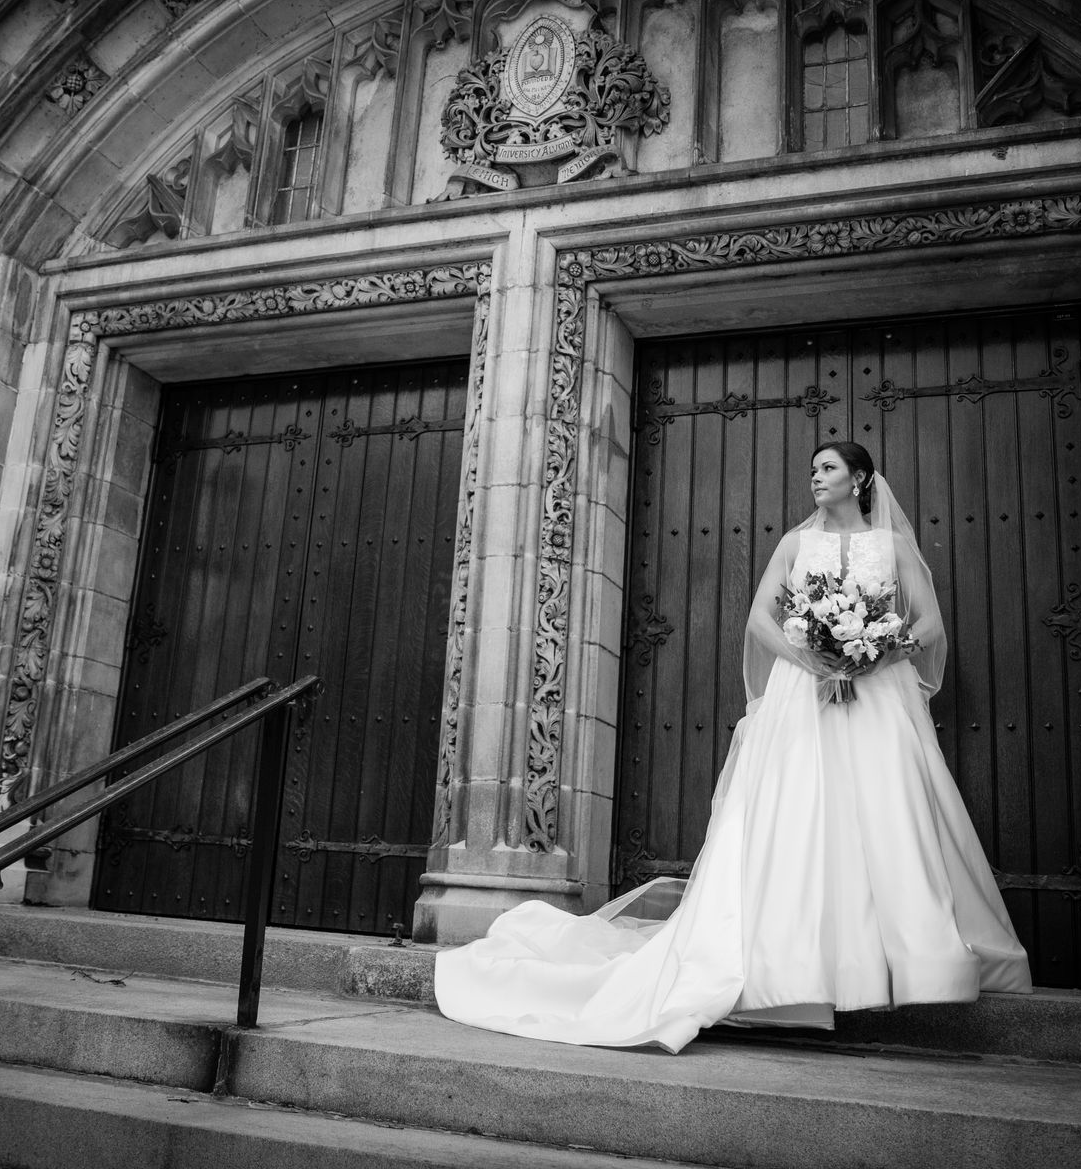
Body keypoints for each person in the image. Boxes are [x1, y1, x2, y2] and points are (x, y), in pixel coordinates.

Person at [433, 441, 1031, 1052]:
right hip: (807, 695)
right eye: (812, 468)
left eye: (827, 469)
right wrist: (819, 663)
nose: (815, 478)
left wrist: (873, 654)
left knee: (889, 814)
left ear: (860, 479)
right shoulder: (796, 546)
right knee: (798, 817)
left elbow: (928, 623)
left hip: (879, 697)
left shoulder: (895, 547)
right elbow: (759, 621)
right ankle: (789, 967)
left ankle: (903, 959)